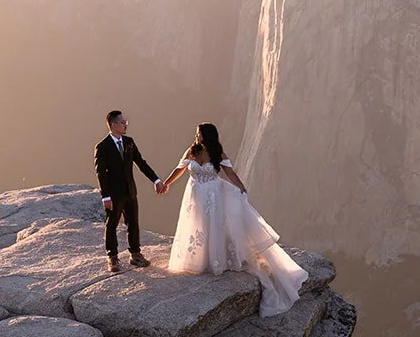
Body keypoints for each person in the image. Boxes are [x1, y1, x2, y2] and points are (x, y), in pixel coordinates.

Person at [158, 122, 307, 316]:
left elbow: (230, 173)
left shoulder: (217, 153)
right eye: (196, 133)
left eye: (199, 134)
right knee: (196, 226)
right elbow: (179, 169)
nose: (196, 136)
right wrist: (165, 184)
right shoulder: (191, 151)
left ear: (207, 135)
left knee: (212, 227)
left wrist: (241, 187)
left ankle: (215, 261)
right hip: (195, 196)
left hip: (212, 196)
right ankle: (198, 260)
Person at [94, 109, 160, 273]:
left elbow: (141, 163)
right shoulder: (102, 147)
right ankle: (113, 257)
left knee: (133, 223)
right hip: (114, 193)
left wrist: (156, 180)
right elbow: (100, 173)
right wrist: (105, 196)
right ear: (113, 125)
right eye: (123, 122)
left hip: (130, 190)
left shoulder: (129, 142)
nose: (125, 125)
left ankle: (135, 254)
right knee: (112, 224)